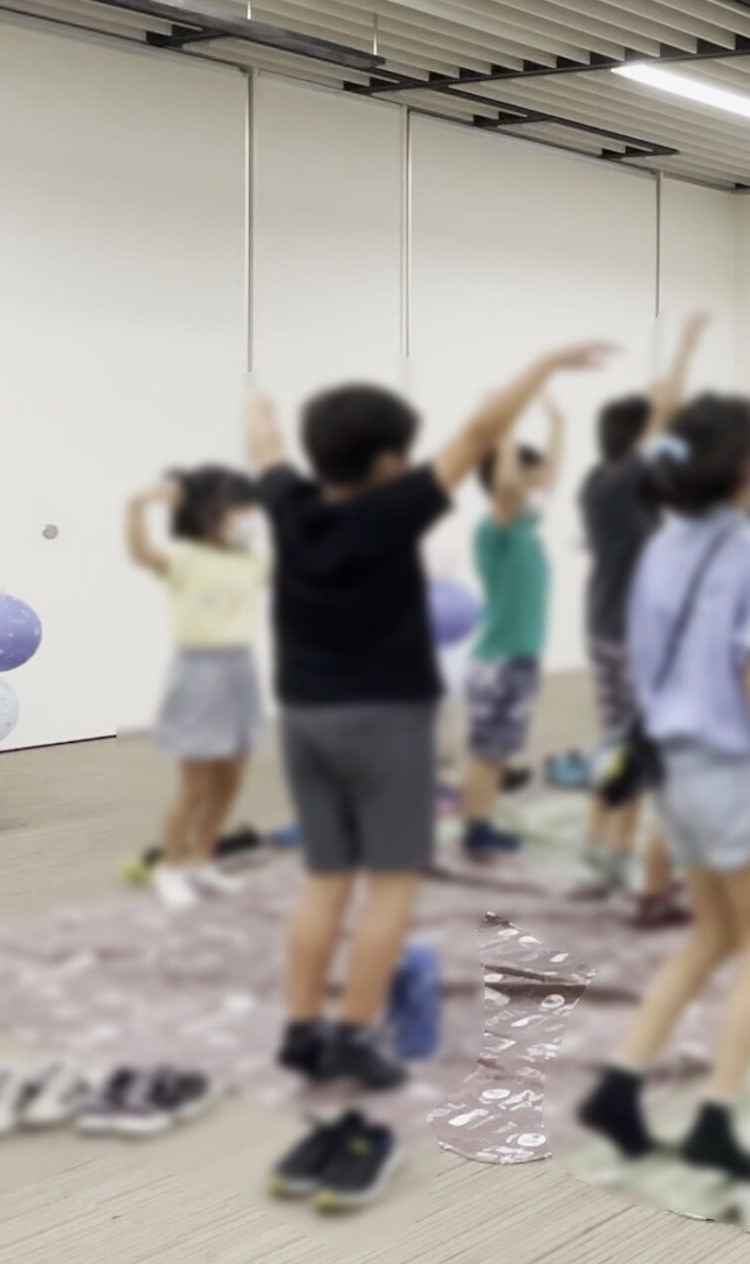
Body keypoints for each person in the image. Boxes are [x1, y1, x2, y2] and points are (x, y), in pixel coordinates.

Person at [259, 341, 611, 1209]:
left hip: (306, 721)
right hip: (386, 723)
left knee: (324, 883)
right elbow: (484, 431)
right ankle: (349, 1037)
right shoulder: (393, 512)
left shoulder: (288, 503)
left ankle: (305, 1031)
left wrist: (259, 405)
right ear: (387, 461)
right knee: (388, 893)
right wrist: (548, 367)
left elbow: (266, 444)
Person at [574, 394, 750, 1183]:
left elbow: (641, 663)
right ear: (743, 465)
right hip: (734, 768)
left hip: (671, 770)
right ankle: (717, 1117)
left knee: (710, 936)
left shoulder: (661, 549)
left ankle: (621, 1084)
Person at [578, 312, 707, 916]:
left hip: (601, 630)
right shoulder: (632, 478)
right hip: (638, 639)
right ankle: (655, 888)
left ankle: (603, 858)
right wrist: (685, 343)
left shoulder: (593, 482)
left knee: (617, 744)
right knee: (660, 758)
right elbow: (667, 412)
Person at [125, 464, 268, 908]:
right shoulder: (185, 559)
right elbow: (143, 552)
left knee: (231, 779)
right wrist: (138, 505)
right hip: (199, 672)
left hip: (240, 671)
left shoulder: (253, 560)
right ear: (209, 513)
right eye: (239, 507)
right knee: (197, 784)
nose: (248, 516)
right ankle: (170, 866)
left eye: (251, 507)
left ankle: (203, 861)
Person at [460, 398, 563, 862]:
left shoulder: (524, 524)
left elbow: (550, 475)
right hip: (500, 661)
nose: (542, 483)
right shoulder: (498, 526)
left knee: (499, 752)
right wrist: (506, 430)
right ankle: (476, 831)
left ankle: (482, 823)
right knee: (488, 753)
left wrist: (559, 424)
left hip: (518, 657)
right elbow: (505, 482)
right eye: (532, 476)